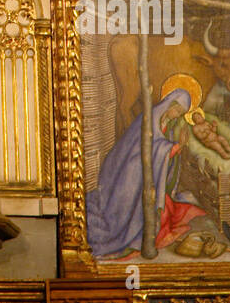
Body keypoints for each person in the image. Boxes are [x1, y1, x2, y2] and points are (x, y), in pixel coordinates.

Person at [86, 87, 220, 258]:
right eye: (177, 110)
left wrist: (175, 148)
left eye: (180, 113)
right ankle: (131, 234)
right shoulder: (150, 119)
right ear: (170, 104)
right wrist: (175, 147)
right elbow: (147, 150)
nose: (177, 115)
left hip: (146, 176)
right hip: (130, 174)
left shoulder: (167, 125)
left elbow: (162, 153)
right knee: (150, 212)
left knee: (166, 209)